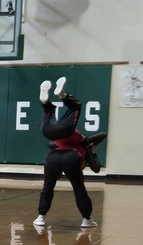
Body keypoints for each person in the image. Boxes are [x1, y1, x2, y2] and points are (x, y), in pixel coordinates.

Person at [32, 79, 106, 229]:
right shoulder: (83, 147)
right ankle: (86, 220)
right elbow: (96, 168)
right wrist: (92, 149)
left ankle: (41, 217)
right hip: (69, 155)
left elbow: (51, 144)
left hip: (52, 151)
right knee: (78, 188)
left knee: (48, 187)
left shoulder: (63, 142)